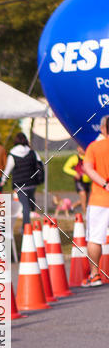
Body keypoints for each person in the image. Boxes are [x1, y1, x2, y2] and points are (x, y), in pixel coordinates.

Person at [81, 116, 109, 286]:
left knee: (95, 238)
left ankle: (94, 274)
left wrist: (105, 184)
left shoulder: (94, 148)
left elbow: (88, 169)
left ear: (104, 129)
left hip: (99, 199)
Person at [1, 132, 43, 227]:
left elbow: (8, 169)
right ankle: (29, 222)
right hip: (32, 183)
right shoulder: (32, 152)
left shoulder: (12, 154)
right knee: (29, 203)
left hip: (19, 184)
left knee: (24, 206)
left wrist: (3, 180)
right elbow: (40, 165)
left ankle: (26, 227)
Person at [63, 144, 91, 214]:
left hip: (88, 181)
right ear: (78, 149)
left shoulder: (89, 158)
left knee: (86, 199)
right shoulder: (74, 158)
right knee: (83, 197)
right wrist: (75, 173)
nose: (84, 149)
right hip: (79, 181)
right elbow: (66, 168)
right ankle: (85, 215)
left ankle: (72, 206)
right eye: (82, 148)